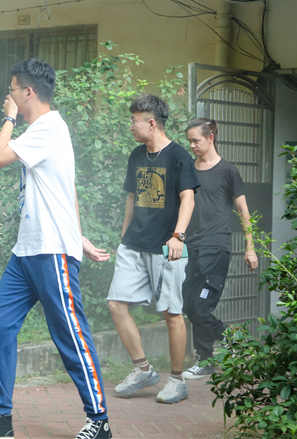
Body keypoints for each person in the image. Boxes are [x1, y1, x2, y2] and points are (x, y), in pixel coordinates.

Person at [0, 58, 112, 439]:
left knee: (70, 334)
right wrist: (80, 234)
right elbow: (66, 187)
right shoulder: (44, 131)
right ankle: (0, 418)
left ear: (27, 92)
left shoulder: (48, 127)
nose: (8, 96)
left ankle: (99, 421)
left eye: (12, 90)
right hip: (27, 250)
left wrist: (9, 117)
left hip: (51, 250)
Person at [107, 93, 199, 405]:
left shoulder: (179, 156)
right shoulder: (136, 155)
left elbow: (188, 198)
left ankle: (176, 380)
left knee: (171, 313)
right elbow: (132, 198)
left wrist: (178, 236)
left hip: (166, 247)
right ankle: (143, 369)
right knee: (116, 304)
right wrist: (123, 238)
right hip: (134, 244)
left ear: (151, 123)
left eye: (134, 120)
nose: (130, 125)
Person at [181, 118, 258, 380]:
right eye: (189, 141)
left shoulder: (228, 171)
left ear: (210, 138)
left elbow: (243, 210)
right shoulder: (188, 170)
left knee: (201, 306)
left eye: (196, 140)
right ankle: (231, 339)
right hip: (191, 248)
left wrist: (250, 247)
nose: (192, 145)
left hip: (216, 249)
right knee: (189, 305)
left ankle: (205, 361)